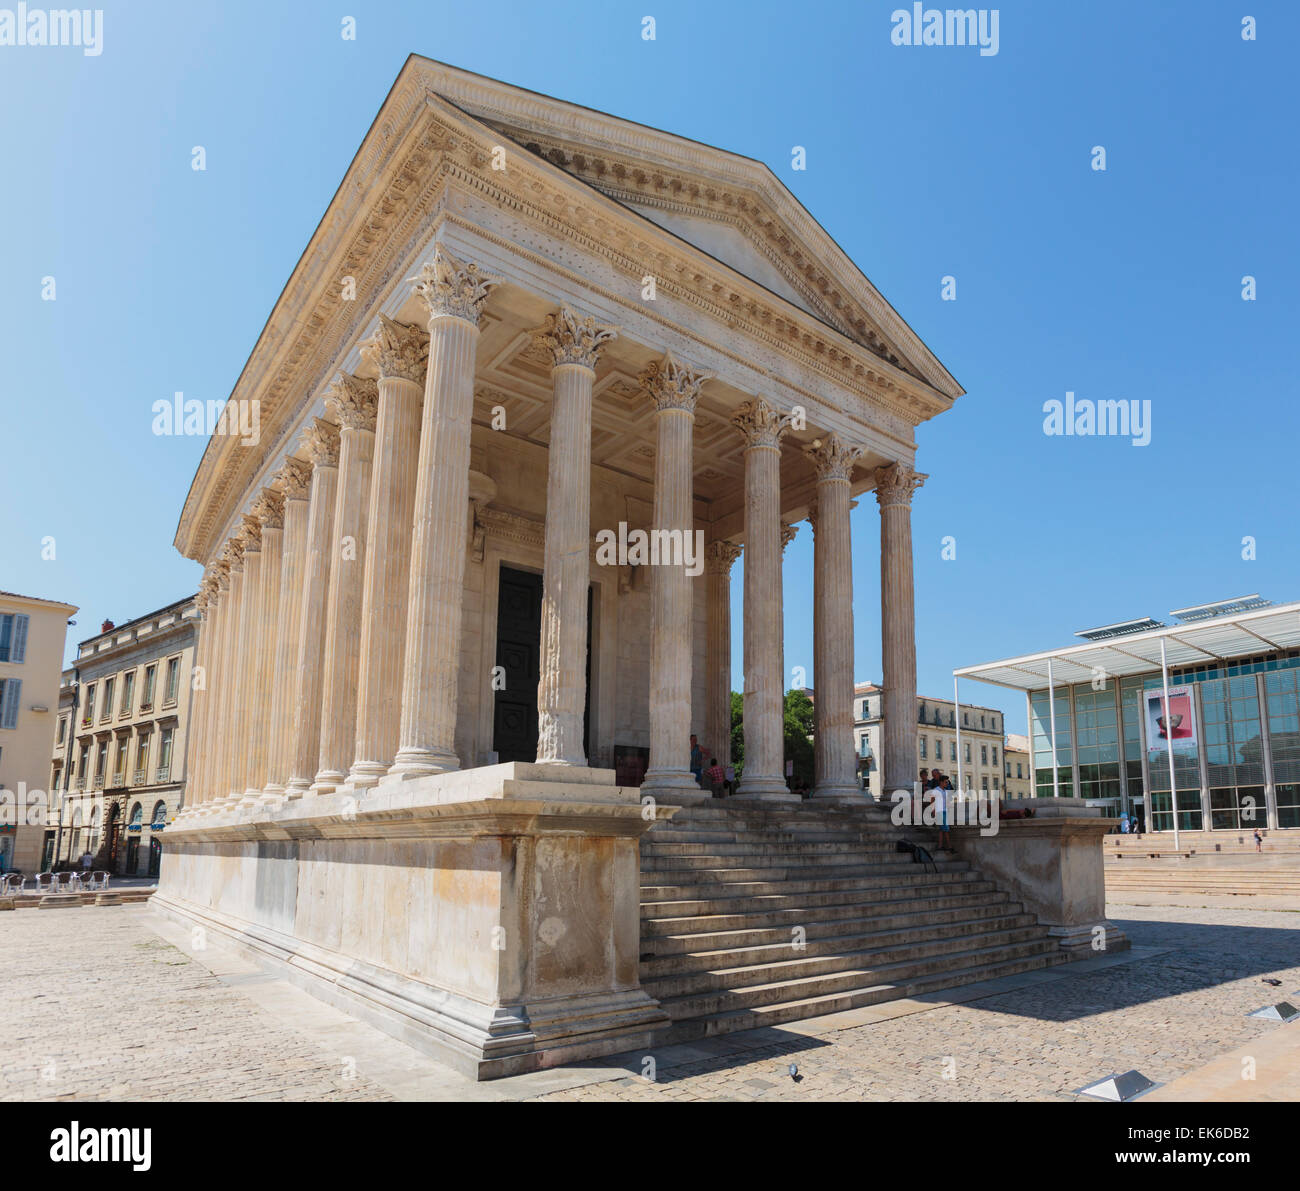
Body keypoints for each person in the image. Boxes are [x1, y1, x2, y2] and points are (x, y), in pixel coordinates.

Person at [933, 776, 952, 850]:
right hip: (939, 811)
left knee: (942, 830)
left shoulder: (945, 791)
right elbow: (932, 801)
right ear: (941, 782)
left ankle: (940, 846)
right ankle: (949, 846)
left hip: (945, 811)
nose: (947, 783)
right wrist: (933, 811)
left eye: (947, 782)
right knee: (946, 829)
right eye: (946, 782)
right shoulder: (936, 790)